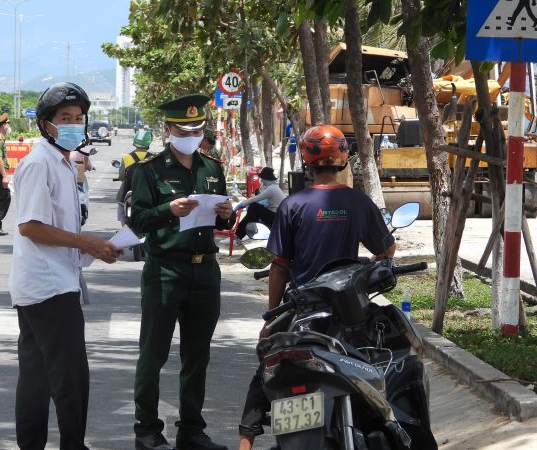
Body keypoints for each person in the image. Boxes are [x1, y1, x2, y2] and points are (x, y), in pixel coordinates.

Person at [236, 125, 396, 450]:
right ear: (342, 159)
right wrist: (366, 269)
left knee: (269, 366)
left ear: (307, 161)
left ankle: (245, 441)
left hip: (301, 310)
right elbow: (386, 252)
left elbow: (279, 265)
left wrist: (272, 317)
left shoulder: (293, 205)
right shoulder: (357, 202)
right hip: (345, 310)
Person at [9, 82, 123, 450]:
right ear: (45, 124)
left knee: (37, 377)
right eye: (64, 118)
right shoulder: (39, 163)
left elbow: (60, 230)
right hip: (48, 288)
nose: (74, 124)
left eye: (78, 118)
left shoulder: (61, 162)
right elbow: (31, 226)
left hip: (50, 282)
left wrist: (96, 248)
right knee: (70, 379)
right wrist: (86, 242)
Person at [129, 94, 234, 450]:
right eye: (184, 129)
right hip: (166, 270)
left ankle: (191, 430)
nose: (192, 134)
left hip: (205, 271)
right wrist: (167, 209)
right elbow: (137, 220)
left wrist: (227, 214)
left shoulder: (212, 167)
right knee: (153, 353)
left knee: (198, 355)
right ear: (167, 129)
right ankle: (147, 430)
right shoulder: (148, 170)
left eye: (198, 128)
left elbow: (225, 216)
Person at [232, 167, 285, 241]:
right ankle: (238, 236)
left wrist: (241, 204)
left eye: (262, 178)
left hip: (276, 218)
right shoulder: (274, 187)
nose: (262, 180)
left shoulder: (272, 189)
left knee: (254, 207)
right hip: (277, 217)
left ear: (266, 179)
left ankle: (237, 236)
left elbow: (255, 198)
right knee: (252, 214)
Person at [116, 128, 154, 223]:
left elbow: (121, 177)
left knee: (121, 204)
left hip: (127, 192)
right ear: (148, 142)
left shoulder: (126, 158)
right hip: (147, 194)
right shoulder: (154, 158)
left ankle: (124, 227)